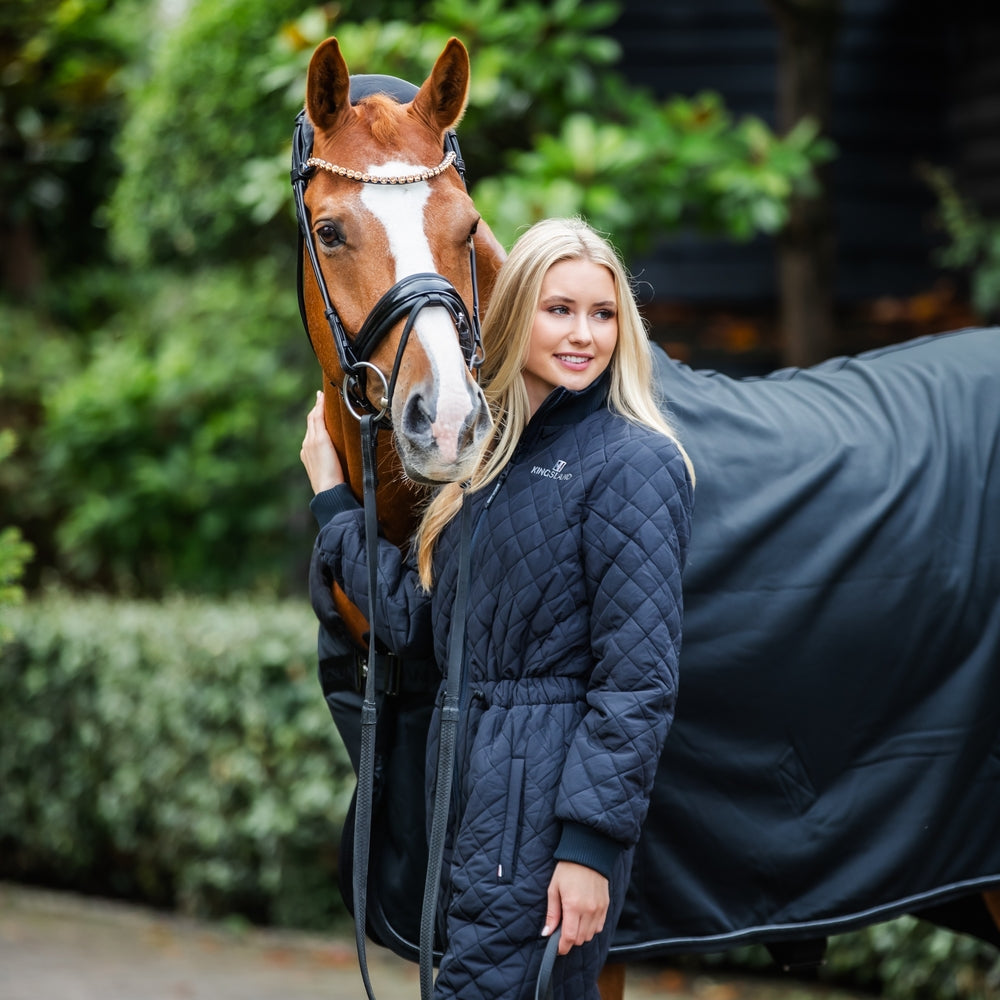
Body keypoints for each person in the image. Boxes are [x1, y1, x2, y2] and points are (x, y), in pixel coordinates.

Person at [301, 217, 694, 1000]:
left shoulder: (635, 463)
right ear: (516, 314)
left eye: (603, 313)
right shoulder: (490, 462)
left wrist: (588, 851)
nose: (584, 334)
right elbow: (417, 623)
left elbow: (637, 685)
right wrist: (334, 502)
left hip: (545, 825)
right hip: (472, 802)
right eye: (560, 310)